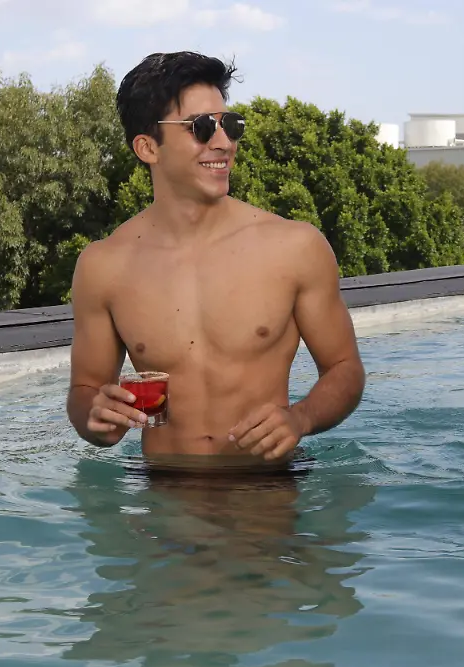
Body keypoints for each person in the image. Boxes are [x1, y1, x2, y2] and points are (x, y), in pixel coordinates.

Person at [65, 51, 365, 467]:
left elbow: (345, 368)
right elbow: (84, 390)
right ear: (148, 147)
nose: (224, 142)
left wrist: (302, 417)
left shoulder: (294, 247)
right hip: (161, 489)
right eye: (201, 127)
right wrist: (96, 417)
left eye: (230, 124)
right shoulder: (104, 266)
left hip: (266, 488)